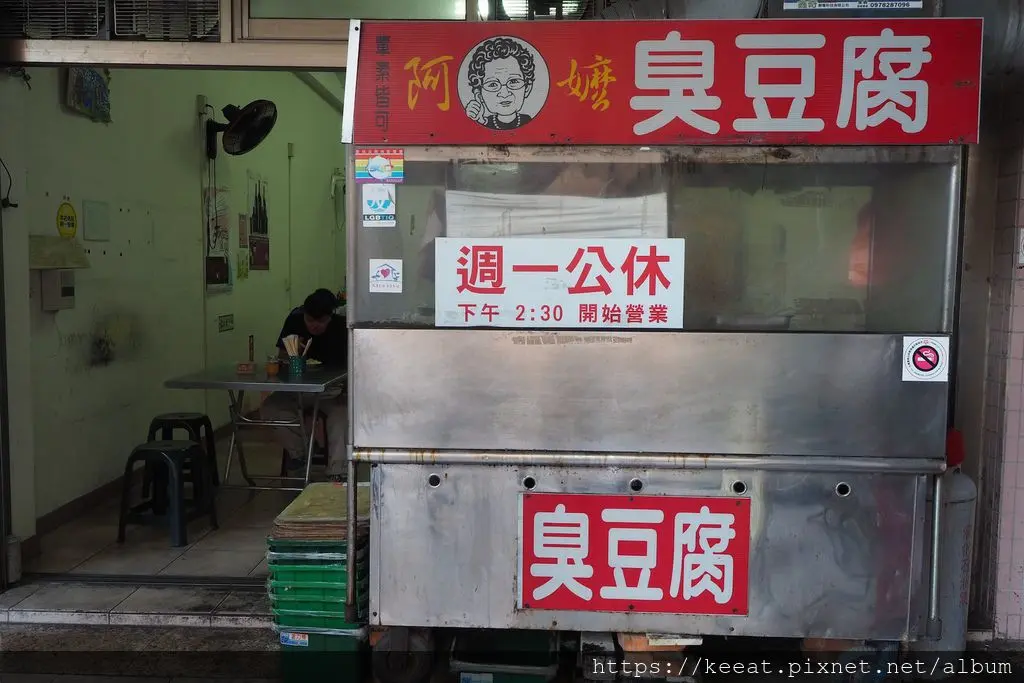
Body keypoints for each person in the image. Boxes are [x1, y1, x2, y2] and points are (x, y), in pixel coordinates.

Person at [261, 288, 347, 480]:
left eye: (321, 322)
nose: (315, 326)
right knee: (271, 408)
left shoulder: (341, 327)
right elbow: (281, 355)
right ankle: (300, 454)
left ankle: (337, 471)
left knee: (342, 416)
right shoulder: (294, 320)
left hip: (331, 392)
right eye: (310, 320)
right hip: (297, 390)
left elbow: (352, 364)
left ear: (330, 317)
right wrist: (292, 354)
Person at [464, 36, 537, 131]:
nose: (504, 93)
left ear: (527, 88)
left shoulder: (528, 120)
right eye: (493, 85)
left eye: (513, 81)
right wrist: (478, 119)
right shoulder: (484, 122)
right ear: (479, 95)